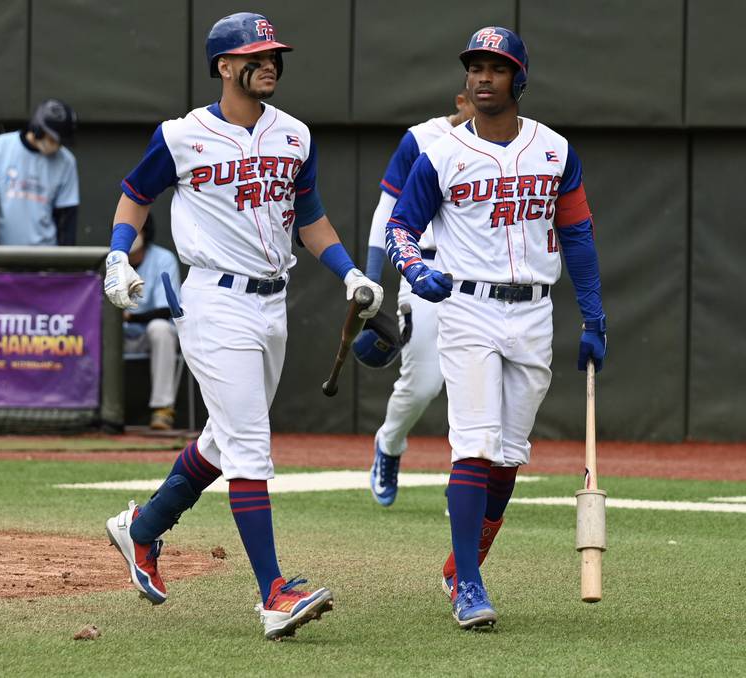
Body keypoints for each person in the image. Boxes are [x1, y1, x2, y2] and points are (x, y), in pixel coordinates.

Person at [103, 12, 383, 640]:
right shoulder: (182, 136)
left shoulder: (295, 135)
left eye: (274, 53)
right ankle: (273, 593)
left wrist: (347, 273)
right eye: (256, 54)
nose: (269, 62)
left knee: (225, 441)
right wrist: (119, 253)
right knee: (251, 446)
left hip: (272, 303)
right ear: (225, 66)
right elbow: (134, 194)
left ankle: (141, 529)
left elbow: (309, 217)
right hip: (212, 300)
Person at [385, 26, 606, 630]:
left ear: (519, 79)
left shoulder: (555, 150)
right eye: (475, 68)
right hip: (470, 309)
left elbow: (579, 234)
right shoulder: (443, 153)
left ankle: (463, 565)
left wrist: (595, 317)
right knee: (476, 444)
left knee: (508, 458)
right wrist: (415, 267)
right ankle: (471, 587)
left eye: (497, 68)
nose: (483, 78)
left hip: (534, 310)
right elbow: (399, 226)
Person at [362, 89, 475, 507]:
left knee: (475, 383)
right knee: (425, 382)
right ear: (462, 100)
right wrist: (372, 281)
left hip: (477, 273)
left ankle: (466, 483)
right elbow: (385, 211)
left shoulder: (506, 145)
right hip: (423, 267)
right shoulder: (422, 138)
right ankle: (389, 444)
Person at [0, 98, 79, 246]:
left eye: (60, 142)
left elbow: (67, 218)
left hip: (46, 258)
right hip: (3, 257)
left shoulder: (66, 161)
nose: (56, 147)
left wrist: (63, 264)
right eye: (52, 140)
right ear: (38, 129)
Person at [122, 214, 182, 430]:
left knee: (161, 329)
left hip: (150, 335)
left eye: (133, 230)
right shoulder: (111, 260)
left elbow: (166, 310)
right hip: (118, 337)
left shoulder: (163, 259)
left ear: (145, 232)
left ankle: (162, 410)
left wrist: (129, 316)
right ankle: (95, 408)